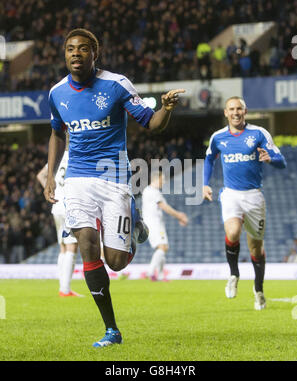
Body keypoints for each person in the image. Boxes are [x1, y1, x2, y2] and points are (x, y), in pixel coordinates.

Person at [43, 28, 185, 348]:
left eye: (82, 48)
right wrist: (52, 175)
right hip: (76, 180)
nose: (75, 54)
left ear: (96, 53)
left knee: (116, 262)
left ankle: (134, 227)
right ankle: (111, 329)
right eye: (69, 49)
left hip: (114, 179)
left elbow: (151, 123)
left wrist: (167, 108)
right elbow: (55, 132)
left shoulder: (117, 85)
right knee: (86, 244)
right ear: (64, 55)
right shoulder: (56, 94)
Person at [203, 96, 287, 310]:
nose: (235, 112)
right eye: (231, 109)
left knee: (256, 248)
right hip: (231, 194)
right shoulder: (218, 137)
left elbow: (282, 161)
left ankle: (258, 290)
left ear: (245, 111)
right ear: (225, 112)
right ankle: (233, 275)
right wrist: (205, 184)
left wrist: (270, 159)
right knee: (232, 232)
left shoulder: (259, 133)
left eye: (239, 108)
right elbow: (209, 158)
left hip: (254, 197)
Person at [37, 143, 82, 297]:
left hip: (56, 207)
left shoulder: (57, 158)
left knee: (63, 247)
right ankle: (65, 289)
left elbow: (41, 175)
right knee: (72, 246)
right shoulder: (77, 157)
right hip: (69, 205)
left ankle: (62, 285)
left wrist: (51, 191)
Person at [142, 170, 188, 281]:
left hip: (152, 223)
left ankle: (160, 275)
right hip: (154, 223)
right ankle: (150, 272)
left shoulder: (147, 191)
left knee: (163, 247)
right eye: (162, 179)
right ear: (156, 179)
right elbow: (164, 207)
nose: (164, 182)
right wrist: (179, 216)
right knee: (163, 247)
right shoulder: (153, 192)